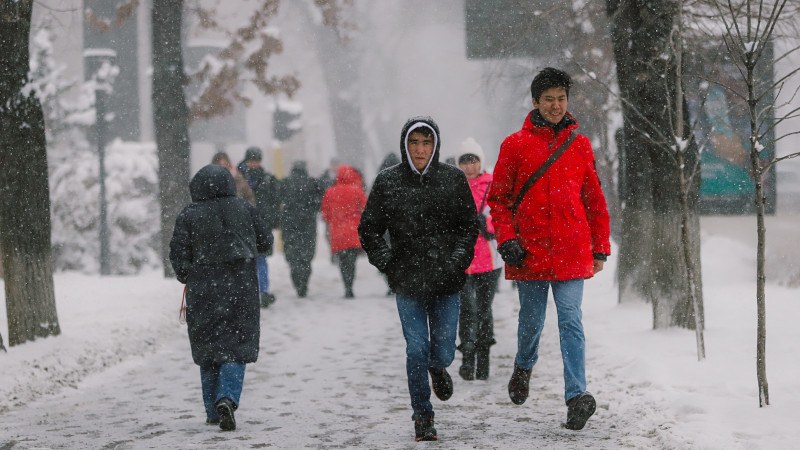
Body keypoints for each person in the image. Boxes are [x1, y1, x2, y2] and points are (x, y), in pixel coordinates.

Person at [487, 67, 611, 431]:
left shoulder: (581, 145)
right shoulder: (514, 145)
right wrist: (507, 239)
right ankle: (524, 366)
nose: (556, 106)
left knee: (571, 319)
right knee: (531, 322)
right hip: (530, 251)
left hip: (573, 249)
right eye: (549, 100)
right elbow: (499, 200)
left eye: (561, 99)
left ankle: (576, 396)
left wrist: (599, 247)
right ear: (535, 102)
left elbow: (594, 199)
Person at [358, 116, 478, 441]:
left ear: (436, 145)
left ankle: (438, 369)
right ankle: (422, 416)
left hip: (446, 280)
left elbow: (470, 225)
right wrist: (388, 264)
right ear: (405, 145)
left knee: (443, 352)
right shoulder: (388, 182)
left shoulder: (453, 179)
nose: (420, 149)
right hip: (407, 282)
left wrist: (456, 262)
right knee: (415, 349)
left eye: (426, 143)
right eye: (414, 142)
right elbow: (368, 229)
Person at [169, 164, 273, 431]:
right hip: (240, 286)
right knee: (237, 346)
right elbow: (266, 242)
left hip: (203, 289)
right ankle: (226, 397)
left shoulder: (189, 215)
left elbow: (178, 254)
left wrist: (188, 274)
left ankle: (212, 411)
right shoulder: (244, 209)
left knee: (209, 349)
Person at [455, 138, 503, 381]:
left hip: (489, 260)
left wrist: (487, 224)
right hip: (462, 260)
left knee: (484, 309)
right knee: (465, 310)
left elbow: (504, 215)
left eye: (472, 160)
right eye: (464, 161)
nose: (469, 166)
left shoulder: (492, 185)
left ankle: (483, 360)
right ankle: (467, 358)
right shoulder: (454, 186)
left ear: (480, 162)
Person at [238, 147, 281, 308]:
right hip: (242, 224)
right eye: (251, 160)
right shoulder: (237, 177)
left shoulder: (267, 178)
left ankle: (262, 291)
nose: (254, 164)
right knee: (246, 260)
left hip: (261, 224)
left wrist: (269, 219)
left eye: (256, 160)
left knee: (261, 258)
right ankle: (249, 292)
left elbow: (274, 201)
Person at [321, 165, 367, 298]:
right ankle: (350, 285)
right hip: (353, 232)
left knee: (342, 262)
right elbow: (365, 209)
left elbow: (325, 213)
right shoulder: (357, 190)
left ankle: (346, 285)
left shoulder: (330, 191)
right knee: (351, 262)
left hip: (337, 233)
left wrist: (333, 220)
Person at [280, 160, 324, 297]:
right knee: (306, 257)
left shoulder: (285, 183)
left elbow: (278, 200)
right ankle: (304, 282)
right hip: (308, 225)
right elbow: (320, 201)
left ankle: (297, 281)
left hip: (289, 225)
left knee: (293, 257)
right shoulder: (312, 183)